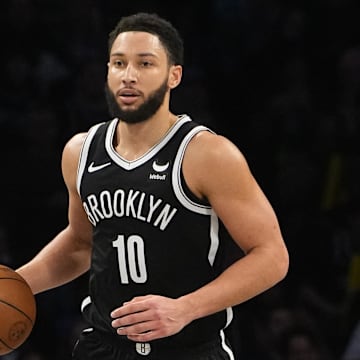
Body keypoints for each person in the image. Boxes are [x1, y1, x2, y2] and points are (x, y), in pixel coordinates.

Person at [17, 12, 289, 360]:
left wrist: (186, 308)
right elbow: (81, 244)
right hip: (102, 346)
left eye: (145, 64)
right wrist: (15, 285)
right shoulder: (79, 152)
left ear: (174, 75)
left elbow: (272, 256)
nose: (129, 76)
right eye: (119, 63)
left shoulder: (206, 154)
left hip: (187, 349)